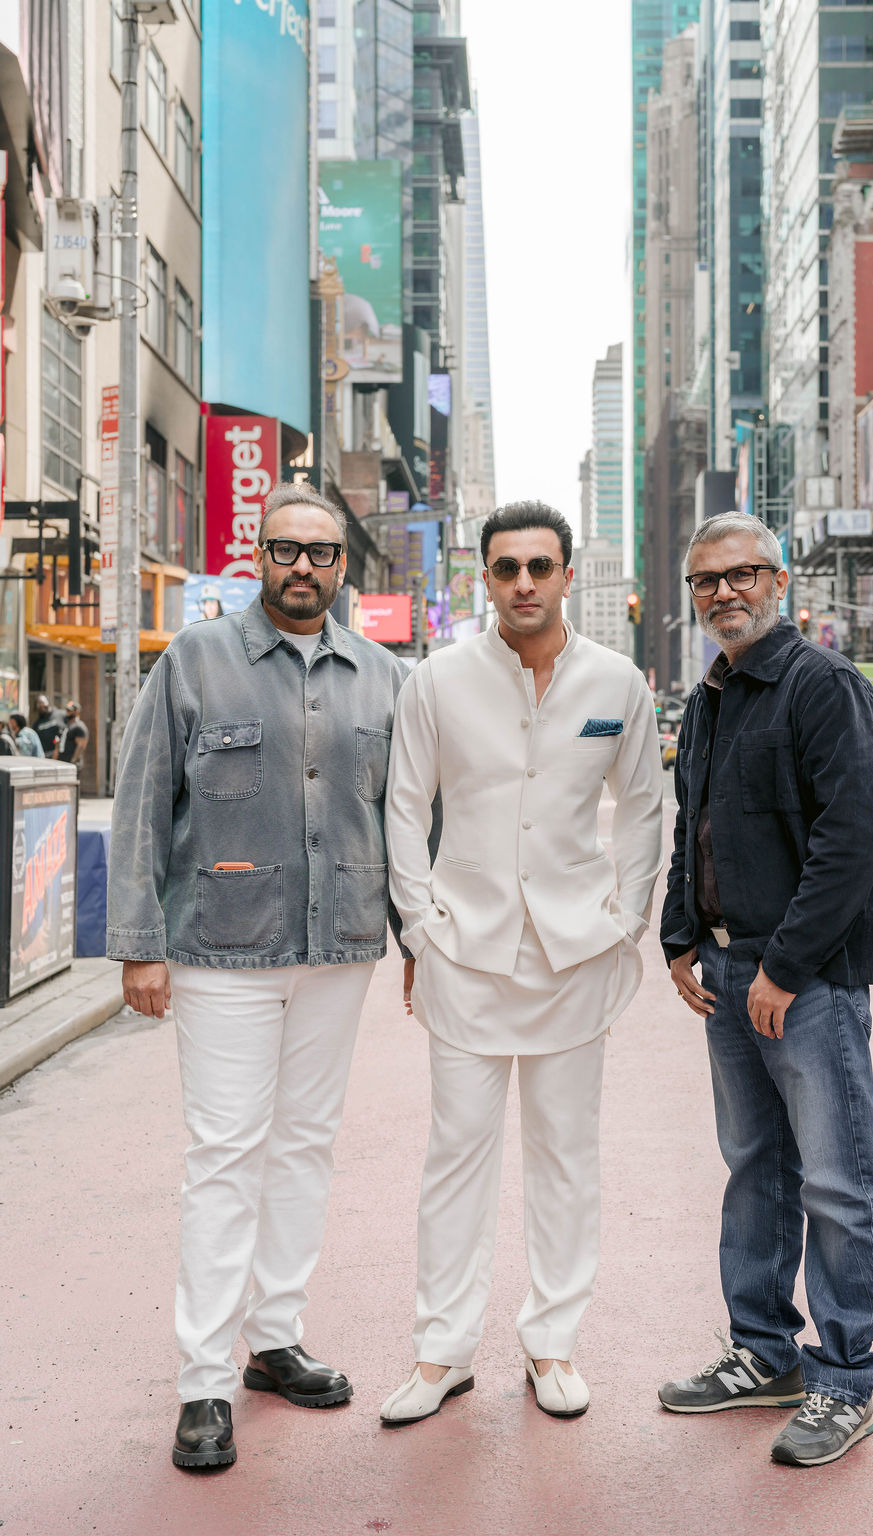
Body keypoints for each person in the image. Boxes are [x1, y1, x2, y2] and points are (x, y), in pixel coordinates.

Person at [106, 482, 407, 1473]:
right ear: (258, 555)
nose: (303, 567)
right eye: (285, 549)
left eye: (320, 552)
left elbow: (410, 819)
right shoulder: (195, 659)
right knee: (226, 1153)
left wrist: (422, 942)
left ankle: (275, 1338)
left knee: (306, 1145)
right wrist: (138, 942)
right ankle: (203, 1381)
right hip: (221, 950)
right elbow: (143, 798)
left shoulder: (383, 676)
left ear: (342, 566)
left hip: (339, 948)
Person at [382, 500, 664, 1426]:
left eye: (540, 566)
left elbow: (643, 808)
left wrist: (625, 924)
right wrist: (420, 929)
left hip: (575, 954)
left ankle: (553, 1342)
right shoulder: (437, 680)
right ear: (487, 578)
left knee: (566, 1156)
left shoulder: (617, 682)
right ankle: (442, 1351)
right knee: (455, 1155)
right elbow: (404, 805)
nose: (524, 583)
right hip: (465, 950)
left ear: (567, 574)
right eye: (507, 568)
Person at [658, 512, 873, 1468]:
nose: (724, 592)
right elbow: (695, 826)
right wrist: (680, 936)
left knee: (839, 1182)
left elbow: (850, 843)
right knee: (755, 1169)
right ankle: (764, 1352)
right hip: (727, 972)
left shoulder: (823, 685)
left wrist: (783, 970)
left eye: (743, 573)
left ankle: (844, 1382)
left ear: (781, 579)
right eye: (706, 580)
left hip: (805, 980)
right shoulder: (710, 696)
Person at [56, 701, 89, 768]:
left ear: (77, 712)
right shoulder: (66, 725)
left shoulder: (79, 726)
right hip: (62, 762)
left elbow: (81, 746)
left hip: (71, 764)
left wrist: (73, 761)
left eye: (69, 710)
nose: (67, 712)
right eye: (67, 710)